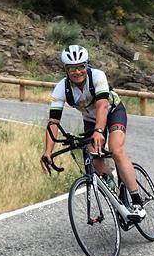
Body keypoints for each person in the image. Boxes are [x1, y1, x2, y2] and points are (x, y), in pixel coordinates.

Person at [40, 44, 146, 221]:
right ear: (66, 70)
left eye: (81, 66)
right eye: (72, 68)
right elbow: (53, 122)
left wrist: (99, 131)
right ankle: (115, 189)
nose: (78, 72)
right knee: (94, 158)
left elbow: (102, 105)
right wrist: (48, 151)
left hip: (113, 112)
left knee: (116, 149)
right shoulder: (61, 88)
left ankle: (137, 202)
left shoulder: (97, 76)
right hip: (90, 120)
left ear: (86, 65)